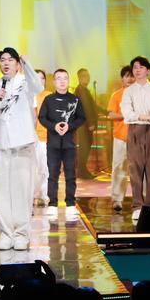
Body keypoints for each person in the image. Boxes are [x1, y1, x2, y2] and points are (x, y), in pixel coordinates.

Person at [0, 47, 44, 250]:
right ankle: (6, 234)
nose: (5, 63)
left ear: (17, 64)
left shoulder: (26, 83)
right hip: (1, 146)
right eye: (2, 60)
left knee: (22, 191)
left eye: (10, 59)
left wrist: (27, 64)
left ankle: (21, 234)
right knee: (2, 192)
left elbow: (38, 86)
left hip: (22, 145)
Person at [120, 56, 150, 220]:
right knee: (135, 169)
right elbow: (127, 113)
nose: (137, 70)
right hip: (135, 129)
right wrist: (146, 116)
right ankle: (138, 206)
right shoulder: (128, 91)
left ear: (148, 70)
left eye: (140, 67)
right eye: (135, 67)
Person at [38, 68, 87, 221]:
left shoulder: (75, 100)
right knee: (52, 174)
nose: (62, 81)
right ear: (54, 82)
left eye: (65, 78)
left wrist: (69, 126)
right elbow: (42, 117)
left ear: (68, 81)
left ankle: (70, 204)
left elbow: (81, 118)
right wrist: (54, 126)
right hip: (52, 143)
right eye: (58, 78)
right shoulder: (48, 100)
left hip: (69, 144)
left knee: (70, 174)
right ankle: (52, 204)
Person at [107, 66, 134, 213]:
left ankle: (141, 199)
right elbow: (111, 115)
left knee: (138, 170)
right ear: (122, 79)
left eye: (132, 76)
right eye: (127, 76)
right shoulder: (116, 95)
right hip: (121, 138)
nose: (130, 79)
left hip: (137, 138)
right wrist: (126, 115)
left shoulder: (140, 95)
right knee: (119, 168)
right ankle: (117, 199)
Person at [74, 69, 98, 179]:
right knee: (84, 148)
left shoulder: (84, 90)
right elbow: (86, 107)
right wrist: (91, 123)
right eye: (84, 76)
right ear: (79, 78)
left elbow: (92, 106)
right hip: (84, 125)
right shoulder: (81, 90)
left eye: (88, 75)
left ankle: (82, 171)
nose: (87, 78)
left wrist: (106, 112)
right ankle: (82, 172)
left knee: (86, 148)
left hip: (84, 124)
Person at [32, 69, 50, 207]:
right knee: (31, 169)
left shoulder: (49, 96)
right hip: (28, 138)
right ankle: (31, 195)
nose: (40, 81)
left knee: (44, 168)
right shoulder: (26, 95)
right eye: (36, 78)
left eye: (42, 78)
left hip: (44, 137)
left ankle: (43, 195)